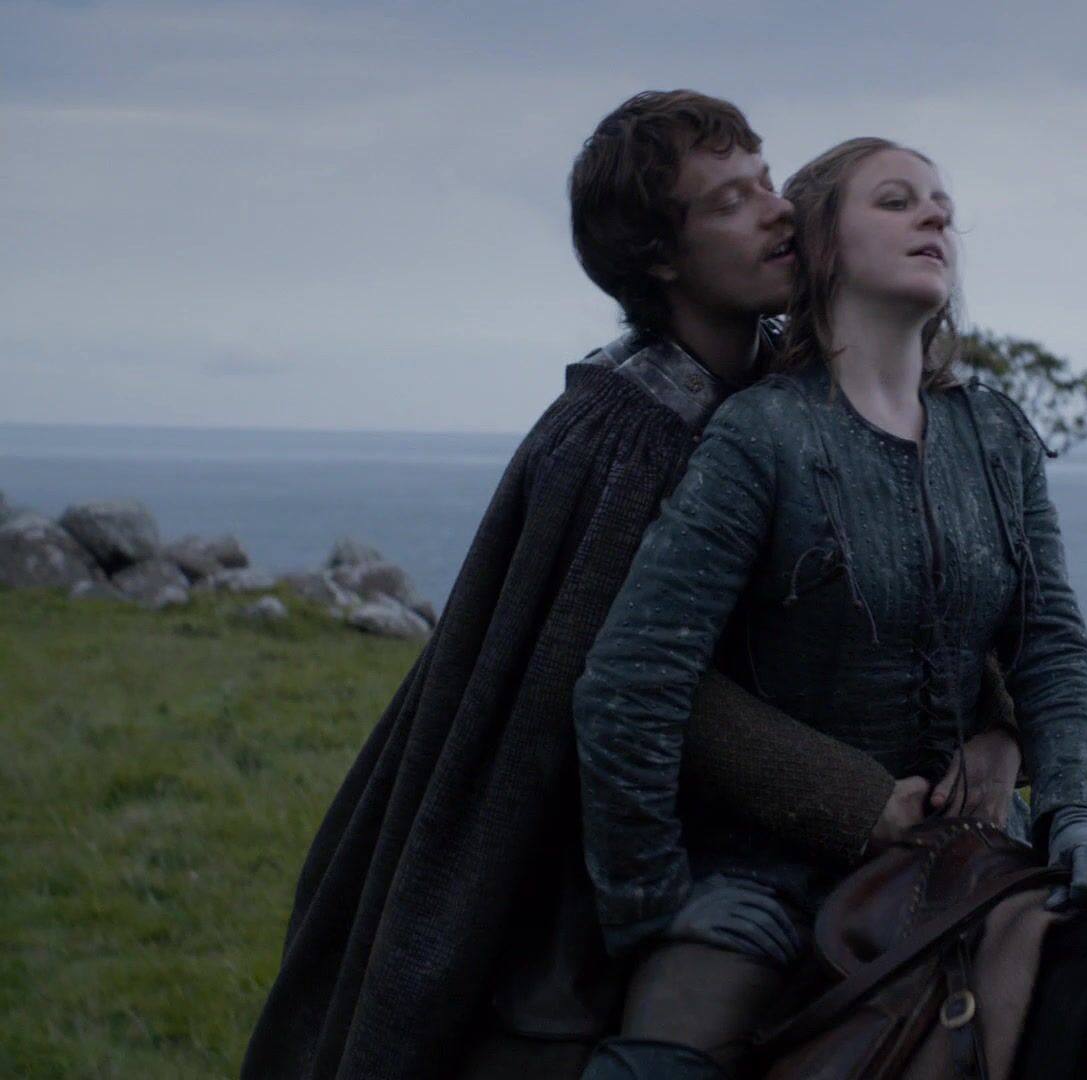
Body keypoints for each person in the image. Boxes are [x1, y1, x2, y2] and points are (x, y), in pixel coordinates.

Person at [243, 92, 1024, 1080]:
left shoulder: (805, 395)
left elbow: (919, 591)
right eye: (732, 202)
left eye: (766, 180)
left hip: (803, 832)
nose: (780, 210)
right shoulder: (622, 435)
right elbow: (628, 675)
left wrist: (998, 723)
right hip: (597, 841)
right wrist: (847, 801)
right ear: (661, 259)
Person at [574, 136, 1087, 1078]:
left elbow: (1047, 644)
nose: (936, 215)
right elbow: (632, 681)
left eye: (940, 202)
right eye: (895, 200)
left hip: (974, 862)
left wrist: (1082, 813)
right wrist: (654, 903)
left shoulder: (996, 435)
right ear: (823, 244)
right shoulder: (760, 435)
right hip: (768, 879)